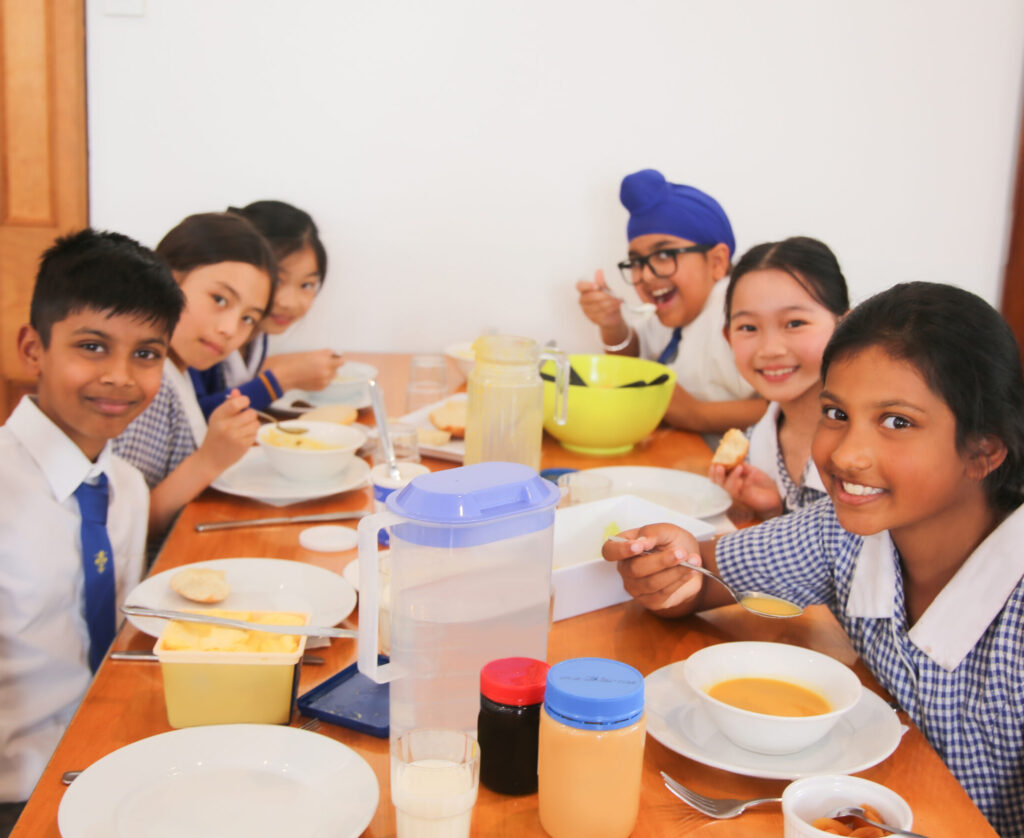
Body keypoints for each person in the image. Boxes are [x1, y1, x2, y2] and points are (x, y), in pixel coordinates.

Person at [603, 282, 1024, 837]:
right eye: (835, 412)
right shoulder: (839, 534)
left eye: (897, 421)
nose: (846, 454)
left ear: (983, 451)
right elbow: (701, 578)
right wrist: (665, 564)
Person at [0, 229, 184, 834]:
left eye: (147, 353)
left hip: (117, 756)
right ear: (34, 348)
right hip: (20, 799)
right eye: (92, 346)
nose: (121, 377)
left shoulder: (124, 487)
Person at [113, 212, 275, 534]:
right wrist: (210, 460)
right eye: (220, 299)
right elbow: (124, 528)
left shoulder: (176, 370)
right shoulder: (144, 384)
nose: (230, 329)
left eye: (247, 319)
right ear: (166, 281)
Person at [575, 168, 766, 434]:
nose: (646, 275)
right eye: (637, 262)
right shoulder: (673, 313)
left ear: (717, 262)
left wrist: (694, 415)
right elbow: (635, 361)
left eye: (664, 255)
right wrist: (611, 324)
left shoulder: (742, 307)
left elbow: (792, 402)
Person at [709, 237, 849, 518]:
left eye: (795, 323)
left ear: (844, 326)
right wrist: (773, 512)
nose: (770, 349)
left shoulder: (872, 446)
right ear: (728, 337)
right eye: (748, 327)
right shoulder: (750, 452)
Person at [190, 200, 342, 418]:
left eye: (306, 285)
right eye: (277, 281)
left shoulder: (257, 335)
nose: (289, 302)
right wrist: (281, 379)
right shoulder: (206, 334)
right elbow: (192, 418)